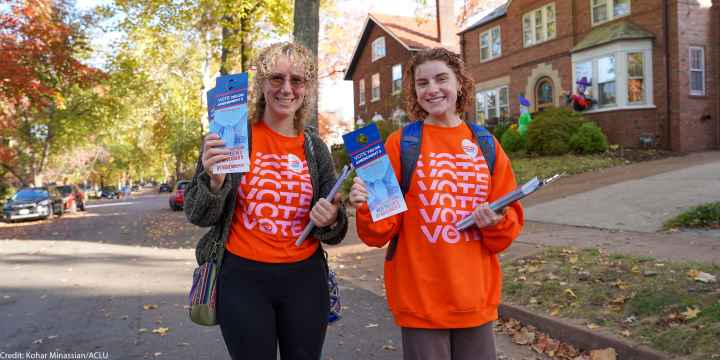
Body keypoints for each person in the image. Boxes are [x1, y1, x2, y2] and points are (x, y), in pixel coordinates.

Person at [349, 48, 524, 360]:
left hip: (474, 299)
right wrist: (366, 205)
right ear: (415, 92)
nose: (432, 89)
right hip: (421, 301)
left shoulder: (485, 144)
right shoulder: (401, 143)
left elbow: (508, 228)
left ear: (460, 83)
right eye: (422, 83)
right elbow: (378, 233)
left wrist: (495, 222)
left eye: (441, 79)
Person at [184, 42, 348, 360]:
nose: (286, 89)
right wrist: (214, 182)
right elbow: (197, 213)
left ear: (307, 87)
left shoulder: (316, 148)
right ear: (261, 83)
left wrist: (330, 219)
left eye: (296, 80)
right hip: (241, 279)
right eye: (276, 78)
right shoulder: (231, 138)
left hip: (305, 280)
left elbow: (335, 231)